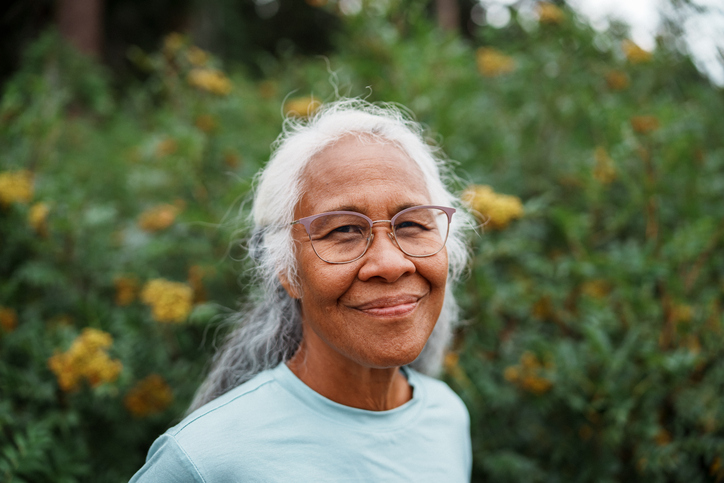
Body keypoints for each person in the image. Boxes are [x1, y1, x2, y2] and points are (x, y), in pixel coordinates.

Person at [130, 99, 473, 482]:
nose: (391, 265)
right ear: (286, 269)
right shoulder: (206, 459)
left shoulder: (446, 418)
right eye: (344, 230)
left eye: (411, 224)